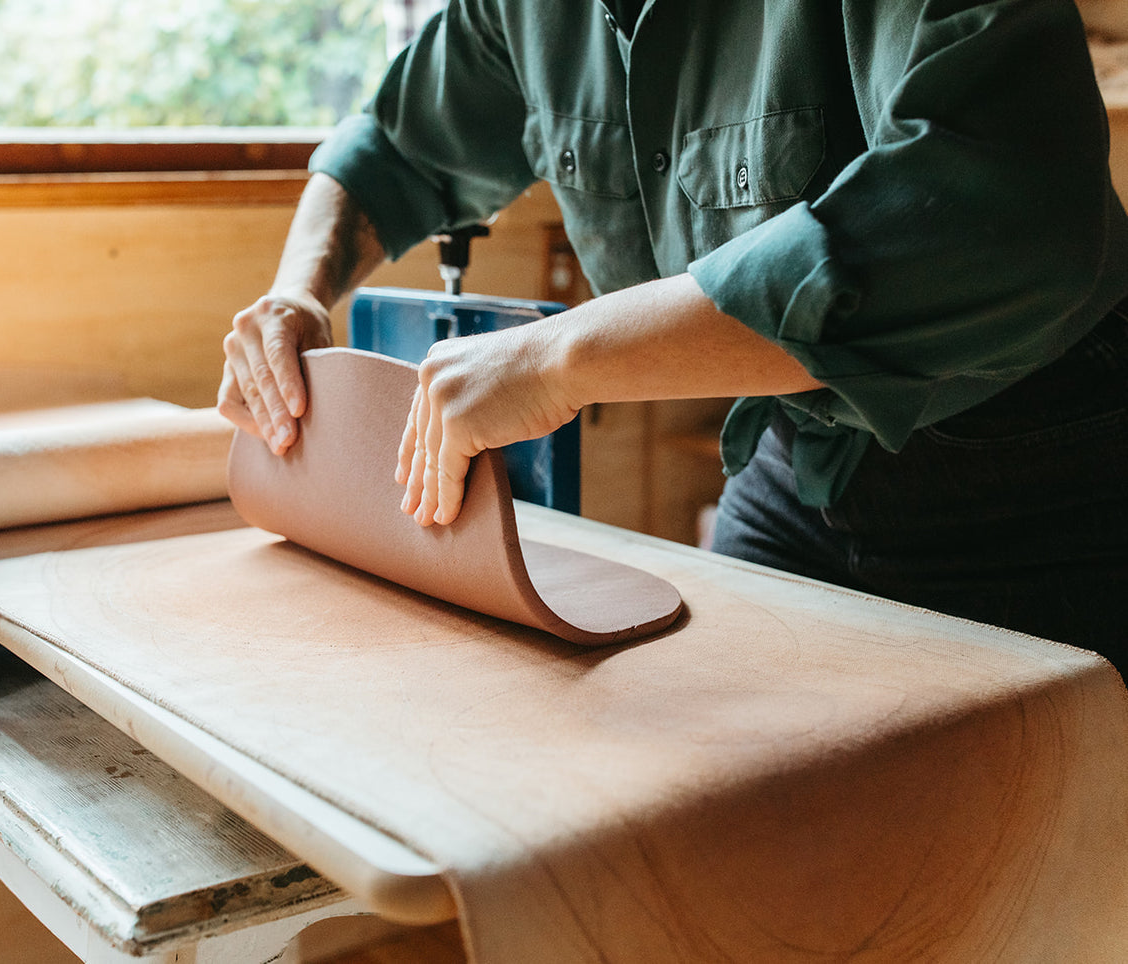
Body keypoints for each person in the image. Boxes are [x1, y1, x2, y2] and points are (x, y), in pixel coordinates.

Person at [218, 0, 1128, 664]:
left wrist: (561, 358)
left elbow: (1007, 222)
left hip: (1045, 456)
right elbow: (391, 146)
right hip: (797, 453)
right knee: (721, 798)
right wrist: (297, 292)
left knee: (1050, 859)